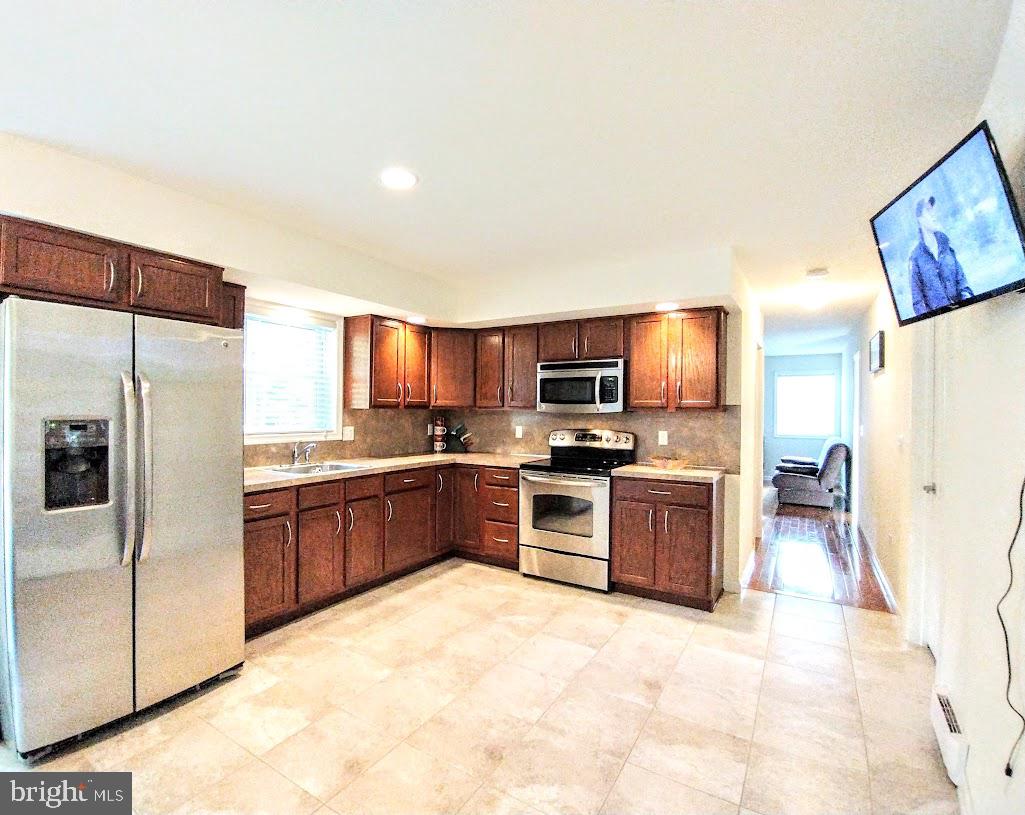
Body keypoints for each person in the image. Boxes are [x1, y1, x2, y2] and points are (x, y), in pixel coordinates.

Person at [908, 195, 973, 315]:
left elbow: (963, 284)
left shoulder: (947, 247)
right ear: (920, 219)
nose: (933, 215)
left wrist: (968, 304)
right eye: (928, 211)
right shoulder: (915, 258)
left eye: (933, 210)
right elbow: (918, 302)